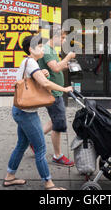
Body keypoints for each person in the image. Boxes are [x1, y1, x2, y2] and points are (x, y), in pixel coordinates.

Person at [4, 35, 73, 190]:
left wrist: (42, 72)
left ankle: (9, 177)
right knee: (41, 147)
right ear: (31, 49)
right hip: (26, 114)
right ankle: (49, 184)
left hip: (21, 111)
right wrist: (65, 89)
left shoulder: (29, 62)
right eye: (40, 46)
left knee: (22, 145)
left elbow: (35, 78)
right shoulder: (30, 63)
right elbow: (45, 83)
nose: (43, 49)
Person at [38, 27, 76, 167]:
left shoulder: (50, 49)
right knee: (59, 124)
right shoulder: (48, 50)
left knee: (54, 120)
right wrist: (68, 57)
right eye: (63, 37)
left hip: (56, 92)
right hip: (53, 93)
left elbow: (55, 67)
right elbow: (55, 68)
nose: (64, 40)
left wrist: (64, 65)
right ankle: (57, 155)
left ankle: (34, 141)